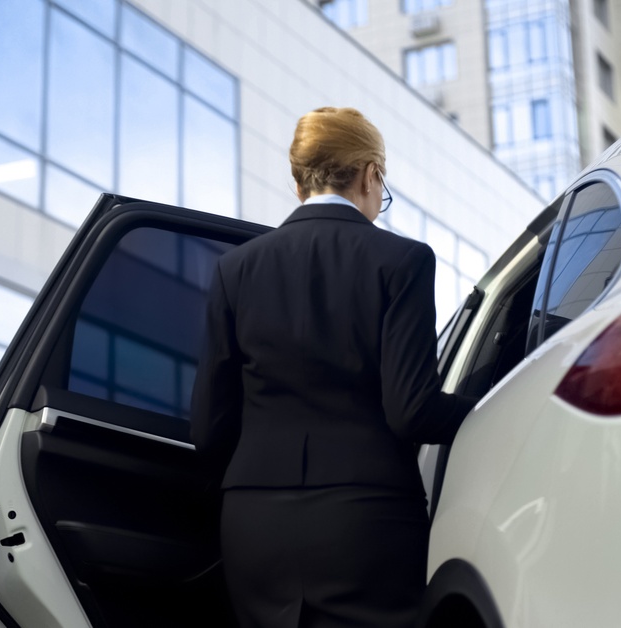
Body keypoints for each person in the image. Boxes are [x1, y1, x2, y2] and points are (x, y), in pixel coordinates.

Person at [191, 107, 477, 627]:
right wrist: (484, 410)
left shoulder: (235, 268)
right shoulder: (402, 261)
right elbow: (411, 411)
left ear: (299, 182)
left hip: (254, 522)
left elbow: (209, 427)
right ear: (370, 174)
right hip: (365, 516)